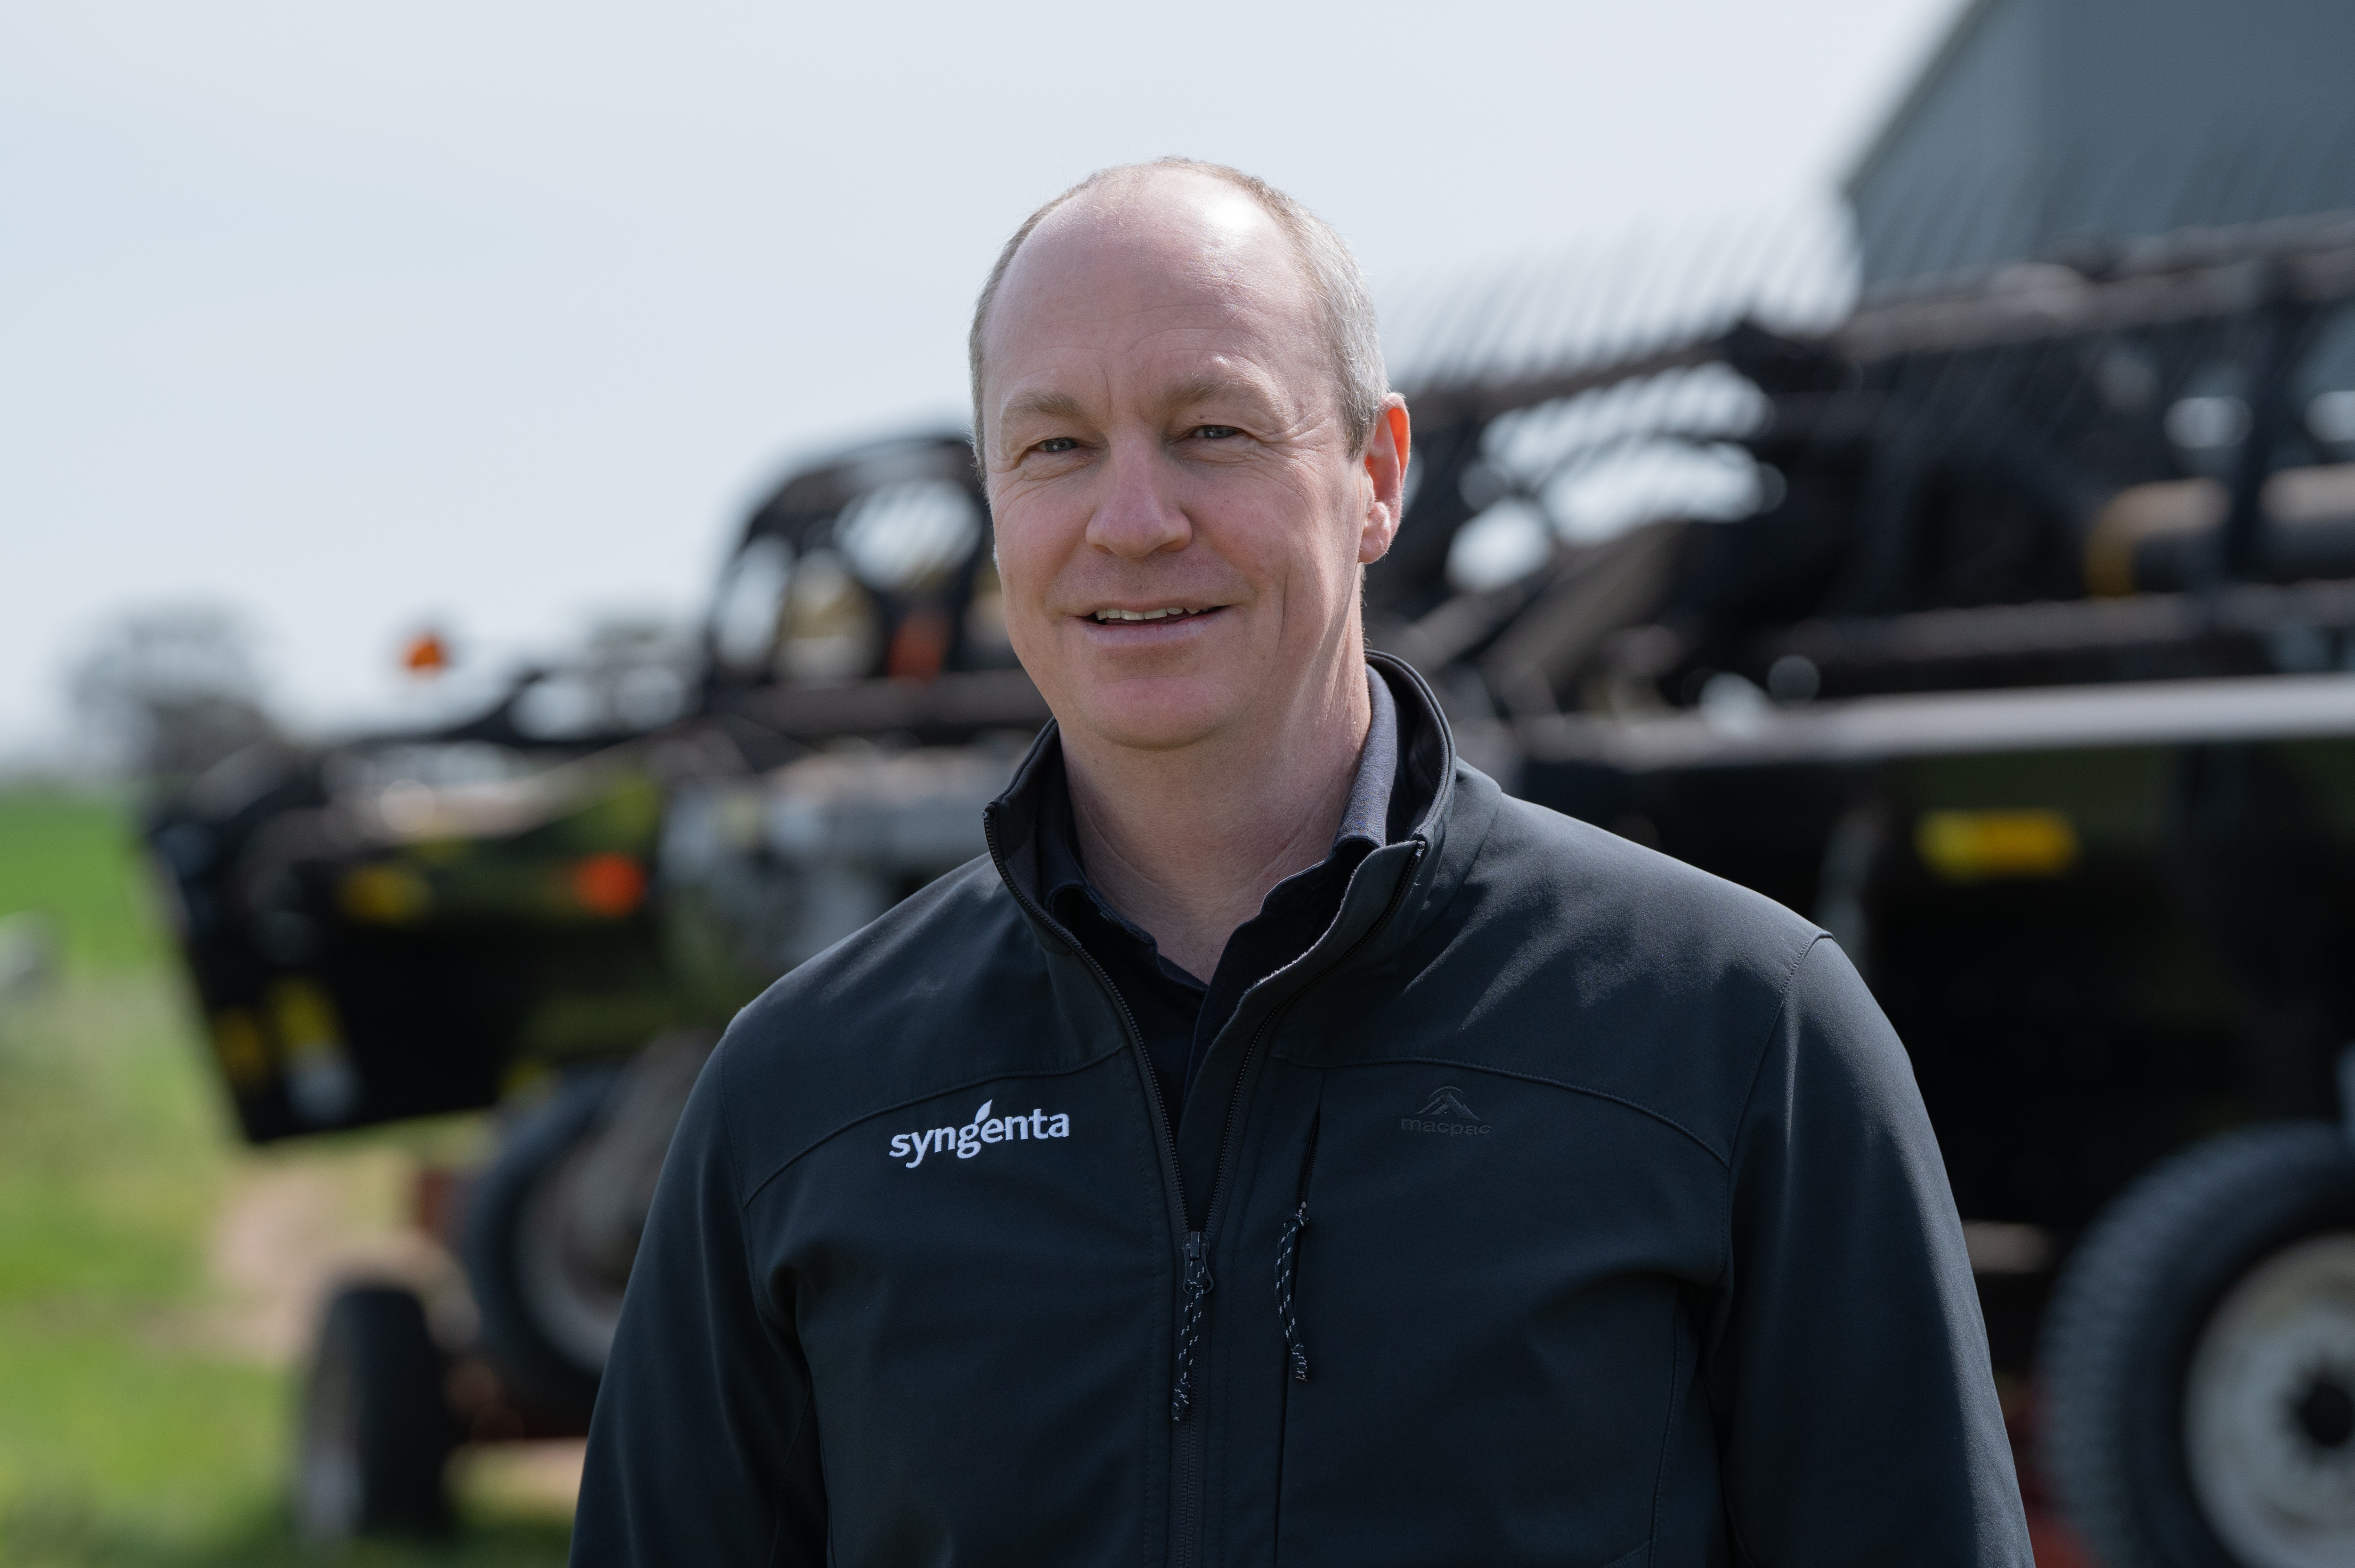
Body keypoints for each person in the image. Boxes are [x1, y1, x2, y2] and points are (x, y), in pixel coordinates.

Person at [573, 158, 2030, 1567]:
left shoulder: (1737, 1033)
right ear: (997, 506)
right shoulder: (803, 1098)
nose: (1133, 522)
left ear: (1376, 475)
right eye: (1055, 446)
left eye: (1214, 430)